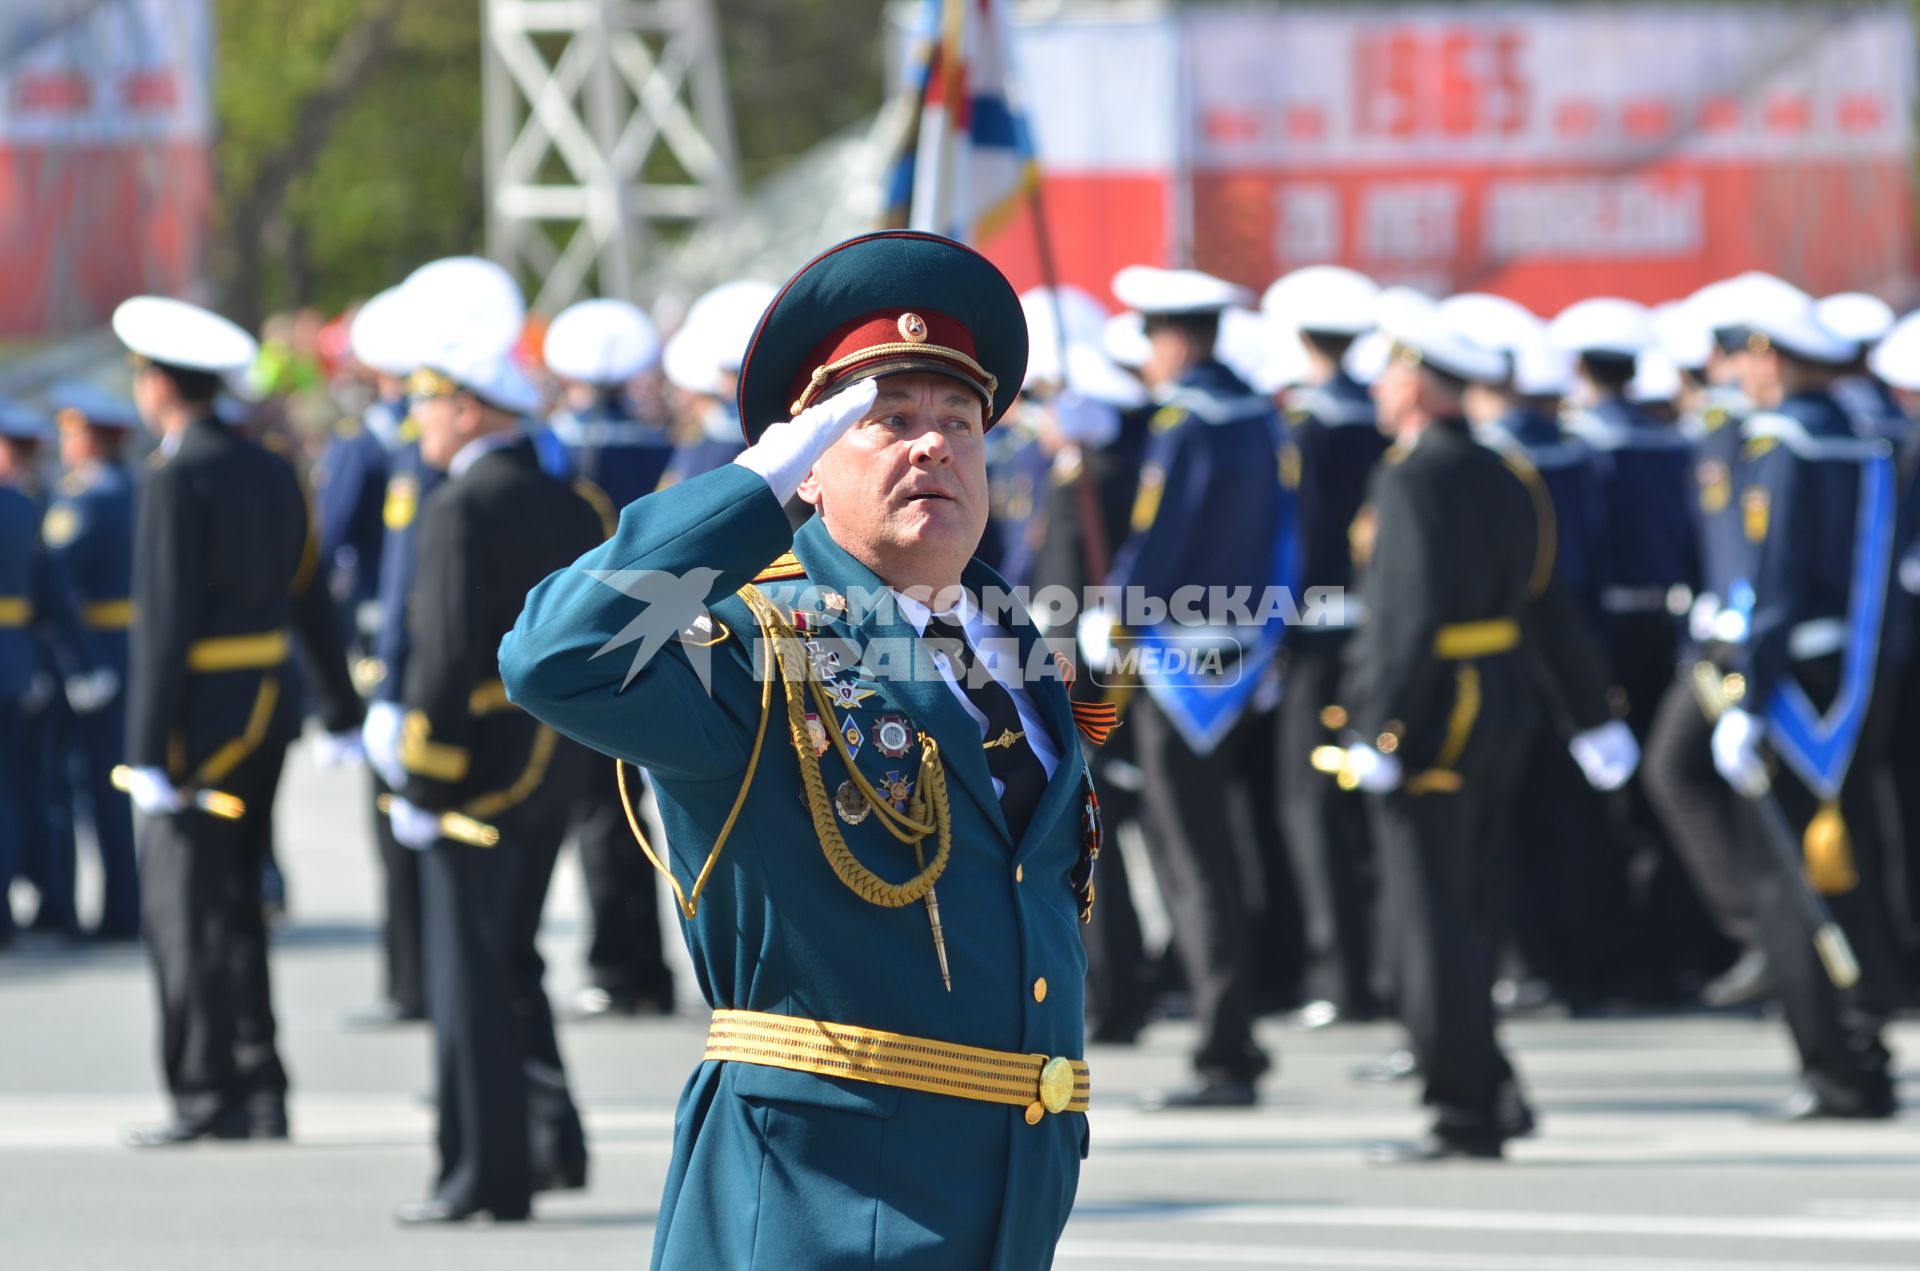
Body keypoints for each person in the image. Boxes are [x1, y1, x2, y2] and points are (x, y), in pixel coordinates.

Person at [499, 231, 1094, 1268]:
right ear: (809, 467)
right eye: (886, 421)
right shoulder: (749, 643)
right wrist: (749, 492)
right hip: (818, 1203)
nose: (931, 445)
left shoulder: (1016, 642)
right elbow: (557, 657)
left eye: (959, 420)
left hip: (1008, 1204)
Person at [1337, 294, 1634, 1161]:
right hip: (1499, 697)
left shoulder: (1412, 474)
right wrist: (1589, 712)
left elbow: (1406, 612)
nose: (1383, 389)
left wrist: (1378, 724)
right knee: (1472, 906)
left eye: (1394, 373)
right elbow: (1550, 603)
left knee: (1428, 920)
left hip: (1437, 712)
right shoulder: (1510, 471)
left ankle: (1463, 1107)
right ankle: (1493, 1087)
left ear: (1423, 385)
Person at [112, 297, 363, 1146]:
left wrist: (145, 748)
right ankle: (259, 1083)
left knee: (186, 913)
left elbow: (165, 621)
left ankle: (204, 1089)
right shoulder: (271, 467)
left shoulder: (177, 474)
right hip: (267, 712)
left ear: (157, 386)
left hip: (197, 728)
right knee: (240, 900)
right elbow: (310, 595)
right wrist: (338, 706)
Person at [385, 349, 598, 1224]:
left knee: (469, 973)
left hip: (473, 772)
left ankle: (482, 1175)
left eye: (431, 405)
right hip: (555, 759)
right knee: (512, 957)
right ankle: (550, 1144)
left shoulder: (458, 505)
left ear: (470, 411)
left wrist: (420, 781)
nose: (424, 422)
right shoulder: (572, 501)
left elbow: (440, 659)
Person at [1707, 302, 1908, 1120]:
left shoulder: (1785, 446)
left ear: (1778, 363)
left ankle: (1833, 1062)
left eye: (1753, 360)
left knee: (1787, 879)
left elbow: (1777, 578)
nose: (1744, 376)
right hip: (1856, 675)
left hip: (1796, 685)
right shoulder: (1862, 436)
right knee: (1845, 864)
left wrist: (1749, 697)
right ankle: (1864, 1041)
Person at [1102, 265, 1285, 1109]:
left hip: (1177, 655)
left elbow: (1162, 531)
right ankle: (1234, 1022)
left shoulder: (1186, 421)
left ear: (1173, 338)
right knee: (1217, 844)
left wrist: (1117, 608)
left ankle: (1224, 1044)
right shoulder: (1254, 413)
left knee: (1190, 859)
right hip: (1240, 648)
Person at [1262, 265, 1389, 1027]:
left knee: (1308, 806)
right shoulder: (1375, 416)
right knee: (1361, 807)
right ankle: (1369, 966)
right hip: (1370, 624)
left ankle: (1338, 971)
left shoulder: (1307, 423)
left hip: (1314, 628)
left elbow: (1298, 536)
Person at [543, 297, 677, 1018]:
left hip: (594, 639)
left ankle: (618, 964)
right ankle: (645, 964)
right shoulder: (660, 442)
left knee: (601, 807)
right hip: (666, 631)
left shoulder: (560, 448)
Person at [40, 383, 142, 941]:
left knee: (96, 790)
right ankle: (125, 904)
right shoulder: (135, 488)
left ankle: (119, 912)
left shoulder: (87, 498)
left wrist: (77, 663)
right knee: (121, 786)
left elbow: (56, 582)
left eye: (73, 433)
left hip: (95, 655)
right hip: (134, 650)